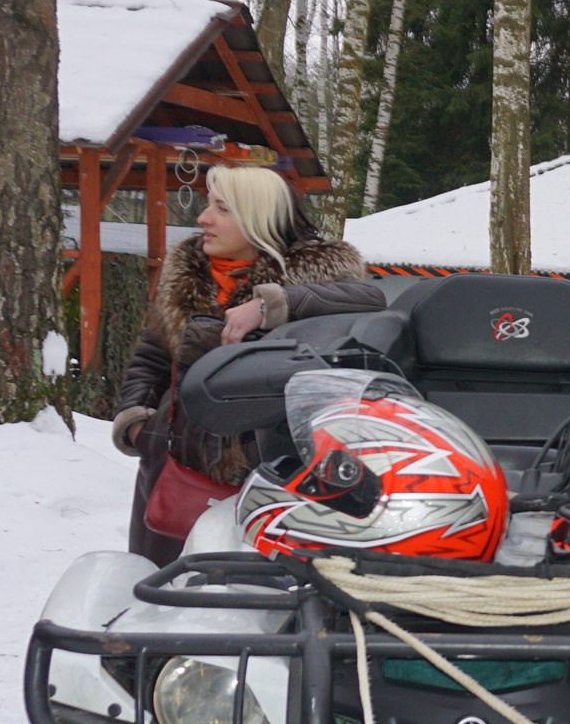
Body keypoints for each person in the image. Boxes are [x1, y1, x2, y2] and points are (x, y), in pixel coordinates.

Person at [112, 164, 381, 562]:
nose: (203, 218)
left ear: (258, 219)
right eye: (208, 205)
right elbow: (151, 357)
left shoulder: (321, 271)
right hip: (175, 473)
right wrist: (140, 427)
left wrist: (270, 305)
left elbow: (370, 299)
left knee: (255, 608)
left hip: (277, 480)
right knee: (160, 598)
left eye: (221, 209)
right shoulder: (187, 271)